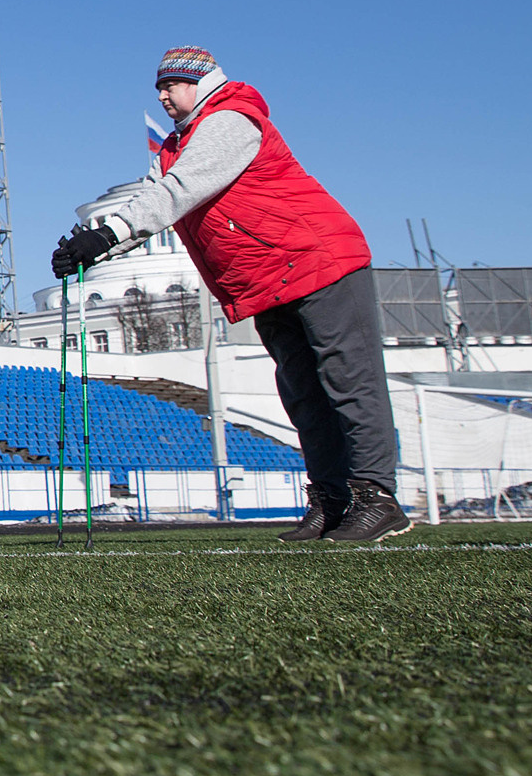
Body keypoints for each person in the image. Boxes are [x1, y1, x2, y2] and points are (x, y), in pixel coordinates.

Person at [51, 46, 410, 544]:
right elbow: (160, 200)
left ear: (200, 82)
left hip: (319, 259)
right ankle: (330, 500)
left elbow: (179, 191)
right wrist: (93, 249)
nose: (161, 96)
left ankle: (376, 497)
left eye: (169, 86)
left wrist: (106, 233)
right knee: (304, 395)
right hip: (269, 278)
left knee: (349, 380)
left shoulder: (230, 120)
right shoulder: (177, 146)